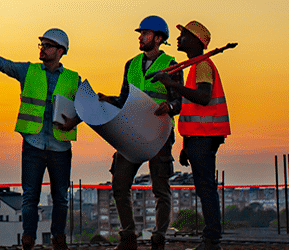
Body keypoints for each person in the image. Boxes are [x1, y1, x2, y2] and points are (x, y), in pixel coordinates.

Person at [0, 28, 83, 250]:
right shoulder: (29, 71)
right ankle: (28, 240)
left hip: (60, 147)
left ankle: (59, 240)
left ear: (60, 51)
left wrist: (73, 122)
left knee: (61, 198)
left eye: (47, 45)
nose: (42, 49)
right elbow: (1, 64)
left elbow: (87, 107)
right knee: (29, 198)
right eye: (41, 45)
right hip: (34, 144)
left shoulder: (73, 79)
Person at [96, 15, 183, 250]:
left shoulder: (172, 65)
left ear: (157, 38)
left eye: (144, 34)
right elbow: (125, 99)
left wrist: (170, 107)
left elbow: (178, 101)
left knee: (160, 189)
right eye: (140, 33)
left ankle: (158, 238)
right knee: (119, 184)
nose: (140, 37)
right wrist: (109, 100)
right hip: (131, 133)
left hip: (159, 134)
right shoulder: (131, 64)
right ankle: (128, 237)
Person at [153, 20, 230, 250]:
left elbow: (203, 97)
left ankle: (212, 240)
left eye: (184, 35)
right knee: (204, 187)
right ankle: (211, 239)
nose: (178, 39)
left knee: (206, 188)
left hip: (205, 136)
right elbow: (192, 108)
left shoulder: (203, 66)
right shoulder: (196, 66)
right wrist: (187, 144)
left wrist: (171, 84)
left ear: (196, 41)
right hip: (199, 137)